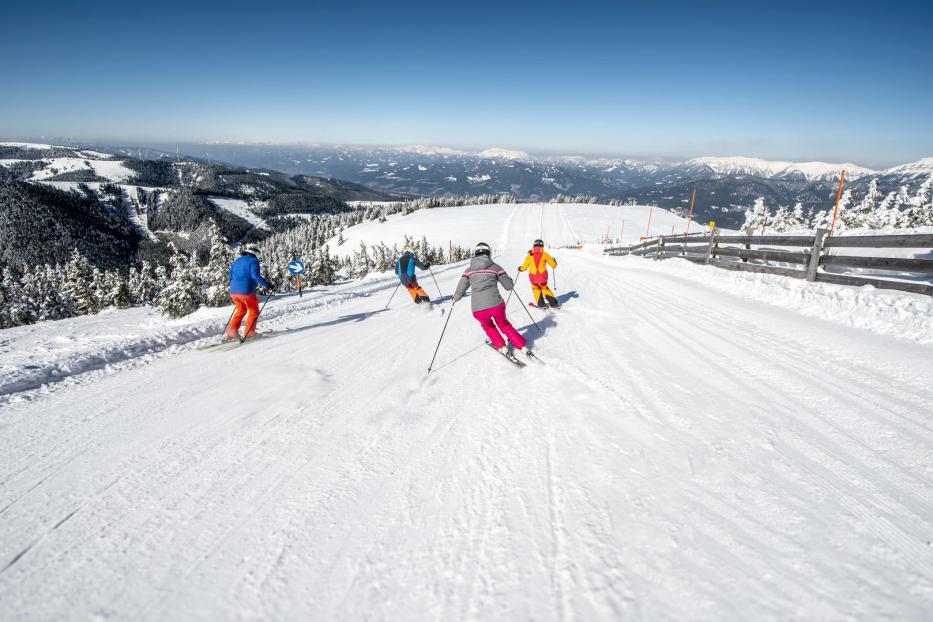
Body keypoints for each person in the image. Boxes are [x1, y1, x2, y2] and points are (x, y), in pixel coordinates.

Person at [453, 242, 531, 357]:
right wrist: (509, 279)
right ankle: (522, 346)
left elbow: (460, 290)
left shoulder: (468, 271)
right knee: (504, 324)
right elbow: (509, 286)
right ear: (488, 253)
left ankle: (501, 346)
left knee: (488, 325)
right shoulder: (495, 267)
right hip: (496, 305)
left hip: (478, 309)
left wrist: (455, 298)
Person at [226, 243, 271, 341]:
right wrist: (267, 285)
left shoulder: (237, 260)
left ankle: (231, 333)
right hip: (246, 292)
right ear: (254, 252)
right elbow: (255, 276)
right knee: (253, 310)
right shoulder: (253, 260)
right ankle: (249, 334)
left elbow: (230, 275)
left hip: (233, 292)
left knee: (241, 311)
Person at [518, 239, 560, 309]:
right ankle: (554, 304)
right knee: (545, 288)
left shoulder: (529, 255)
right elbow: (554, 265)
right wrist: (554, 262)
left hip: (533, 277)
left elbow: (524, 267)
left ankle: (541, 304)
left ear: (534, 245)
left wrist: (520, 268)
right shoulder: (545, 255)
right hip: (543, 277)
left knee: (536, 289)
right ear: (542, 246)